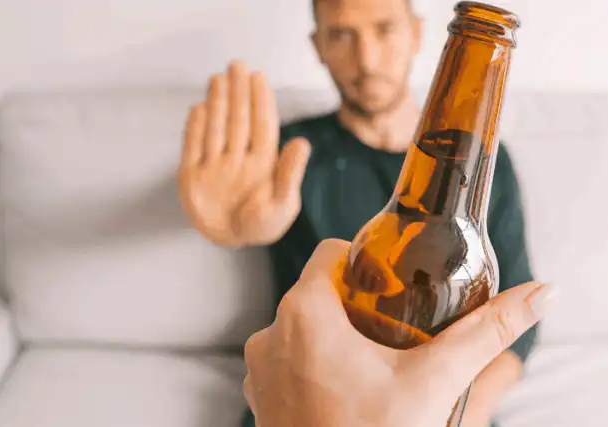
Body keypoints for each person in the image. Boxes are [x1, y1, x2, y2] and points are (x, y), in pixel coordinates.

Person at [177, 0, 537, 425]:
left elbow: (519, 320)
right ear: (319, 46)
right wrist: (232, 230)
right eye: (342, 34)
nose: (366, 60)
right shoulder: (285, 152)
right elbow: (250, 209)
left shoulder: (483, 168)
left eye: (383, 29)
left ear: (417, 34)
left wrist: (461, 413)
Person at [243, 239, 554, 427]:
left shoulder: (492, 168)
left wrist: (471, 408)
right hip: (295, 392)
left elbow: (520, 319)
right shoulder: (304, 144)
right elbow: (266, 218)